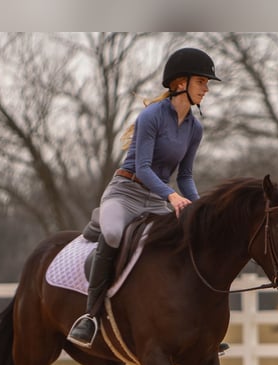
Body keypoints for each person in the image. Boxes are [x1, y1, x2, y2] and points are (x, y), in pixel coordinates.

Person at [68, 47, 221, 347]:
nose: (206, 88)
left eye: (207, 83)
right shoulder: (151, 116)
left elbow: (186, 175)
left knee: (190, 239)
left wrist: (199, 208)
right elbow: (143, 167)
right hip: (126, 192)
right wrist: (173, 197)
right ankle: (90, 316)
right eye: (201, 81)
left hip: (156, 198)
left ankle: (199, 326)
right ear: (180, 83)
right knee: (112, 233)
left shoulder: (195, 128)